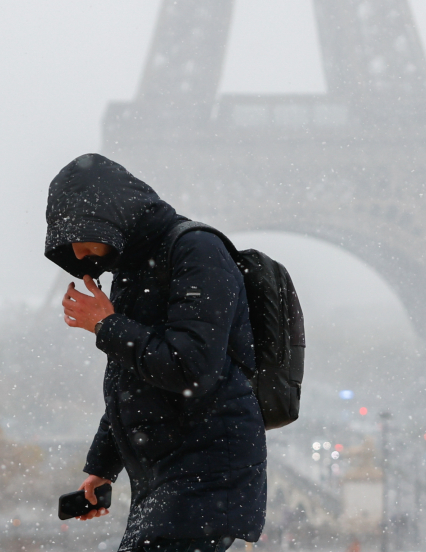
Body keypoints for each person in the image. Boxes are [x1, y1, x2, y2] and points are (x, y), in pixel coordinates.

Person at [44, 154, 267, 552]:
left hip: (203, 476)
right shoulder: (136, 269)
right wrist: (103, 468)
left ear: (108, 219)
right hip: (174, 479)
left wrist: (105, 325)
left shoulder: (196, 251)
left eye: (78, 235)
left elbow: (192, 369)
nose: (77, 256)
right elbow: (134, 382)